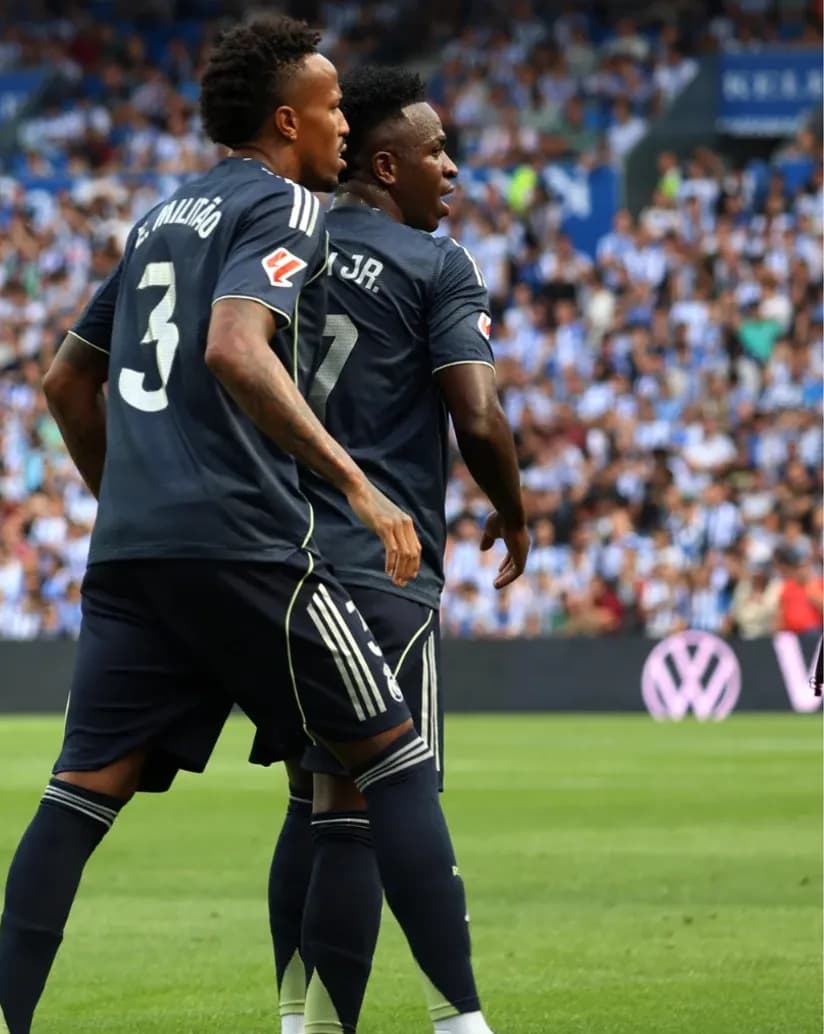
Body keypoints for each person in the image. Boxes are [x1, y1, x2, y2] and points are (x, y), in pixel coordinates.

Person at [0, 17, 496, 1034]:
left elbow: (62, 379)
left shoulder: (159, 215)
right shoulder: (287, 204)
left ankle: (0, 1024)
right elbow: (232, 345)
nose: (343, 124)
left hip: (133, 553)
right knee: (386, 761)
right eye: (329, 107)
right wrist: (357, 483)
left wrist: (125, 495)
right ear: (284, 119)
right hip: (247, 541)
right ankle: (461, 1023)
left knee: (79, 793)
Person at [260, 67, 528, 1034]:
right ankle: (450, 1021)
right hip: (385, 560)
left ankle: (297, 1021)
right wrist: (515, 509)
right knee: (373, 799)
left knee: (311, 795)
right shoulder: (435, 262)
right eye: (437, 152)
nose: (452, 169)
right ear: (385, 164)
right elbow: (480, 413)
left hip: (277, 563)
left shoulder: (278, 243)